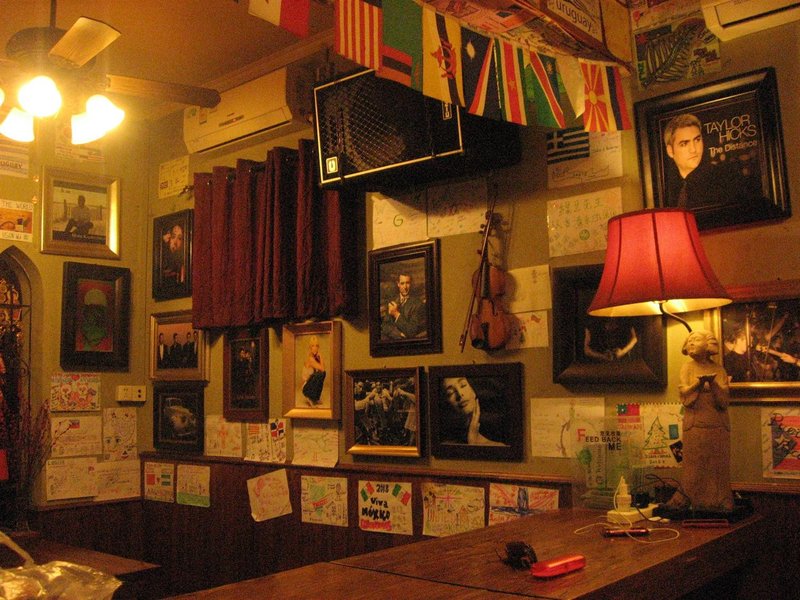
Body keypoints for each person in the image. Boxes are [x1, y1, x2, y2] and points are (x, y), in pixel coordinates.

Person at [665, 330, 734, 514]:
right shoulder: (687, 368)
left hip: (718, 423)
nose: (691, 343)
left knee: (718, 463)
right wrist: (699, 383)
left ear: (708, 344)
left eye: (695, 340)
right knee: (694, 463)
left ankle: (721, 499)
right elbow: (685, 395)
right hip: (695, 423)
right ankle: (689, 498)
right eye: (689, 341)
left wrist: (713, 383)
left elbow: (723, 400)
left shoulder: (719, 369)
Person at [662, 113, 762, 214]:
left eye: (697, 140)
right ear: (670, 151)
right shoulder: (670, 190)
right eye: (684, 144)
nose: (693, 149)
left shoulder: (725, 178)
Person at [440, 377, 505, 446]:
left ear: (473, 389)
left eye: (463, 385)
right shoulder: (445, 444)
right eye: (450, 393)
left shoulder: (498, 444)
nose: (459, 394)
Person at [380, 272, 426, 340]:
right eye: (402, 283)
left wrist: (396, 314)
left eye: (407, 283)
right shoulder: (392, 301)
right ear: (398, 284)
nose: (405, 287)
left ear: (411, 284)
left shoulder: (418, 304)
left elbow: (411, 331)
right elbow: (385, 325)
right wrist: (398, 334)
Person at [300, 335, 326, 406]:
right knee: (321, 373)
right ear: (310, 348)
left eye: (317, 346)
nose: (315, 348)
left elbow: (323, 369)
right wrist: (321, 356)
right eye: (313, 346)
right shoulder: (310, 359)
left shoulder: (315, 358)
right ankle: (310, 396)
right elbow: (322, 369)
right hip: (306, 387)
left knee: (322, 374)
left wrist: (320, 357)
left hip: (310, 382)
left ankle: (316, 398)